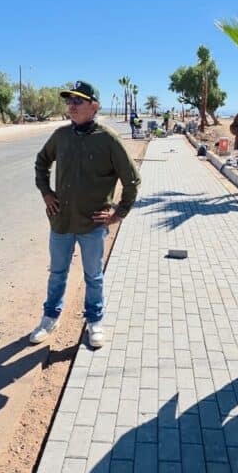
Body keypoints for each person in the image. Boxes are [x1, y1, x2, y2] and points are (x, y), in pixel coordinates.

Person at [31, 81, 141, 348]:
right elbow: (41, 162)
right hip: (61, 222)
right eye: (69, 101)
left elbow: (132, 180)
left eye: (78, 101)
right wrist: (46, 193)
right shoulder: (61, 136)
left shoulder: (108, 139)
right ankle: (50, 317)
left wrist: (118, 213)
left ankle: (94, 322)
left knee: (93, 276)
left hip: (92, 225)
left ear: (94, 106)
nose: (72, 106)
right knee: (57, 273)